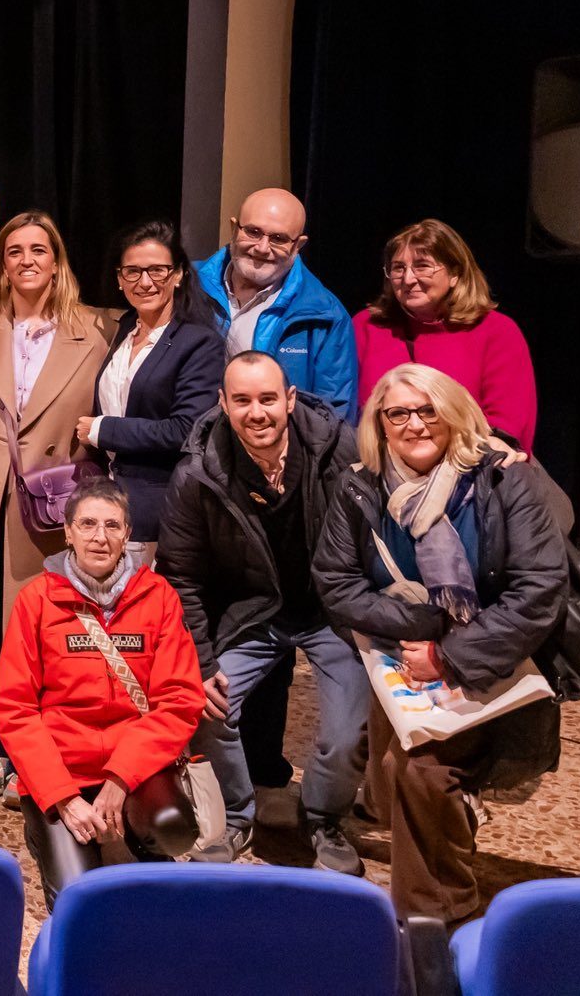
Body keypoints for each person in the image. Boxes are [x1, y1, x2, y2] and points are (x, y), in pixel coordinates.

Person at [314, 363, 568, 923]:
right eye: (398, 413)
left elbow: (540, 588)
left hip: (496, 657)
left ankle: (435, 923)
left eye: (428, 409)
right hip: (401, 658)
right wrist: (428, 624)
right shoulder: (359, 486)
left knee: (422, 774)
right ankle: (444, 864)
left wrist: (449, 652)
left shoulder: (504, 479)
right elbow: (336, 584)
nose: (415, 423)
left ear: (454, 413)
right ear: (379, 424)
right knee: (392, 777)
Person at [157, 352, 368, 873]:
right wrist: (201, 663)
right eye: (243, 400)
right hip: (251, 614)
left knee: (348, 734)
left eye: (268, 398)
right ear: (223, 403)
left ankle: (322, 819)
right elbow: (181, 577)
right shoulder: (197, 472)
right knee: (204, 707)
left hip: (330, 612)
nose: (257, 412)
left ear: (290, 400)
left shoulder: (340, 447)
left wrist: (494, 450)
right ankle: (236, 815)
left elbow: (412, 466)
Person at [0, 479, 201, 909]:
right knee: (75, 897)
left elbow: (180, 700)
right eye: (87, 524)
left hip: (136, 770)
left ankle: (137, 840)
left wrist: (121, 779)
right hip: (60, 771)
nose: (99, 537)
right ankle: (47, 829)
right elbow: (14, 708)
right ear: (68, 532)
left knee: (172, 828)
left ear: (127, 534)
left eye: (112, 525)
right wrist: (63, 797)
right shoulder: (36, 600)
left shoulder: (159, 598)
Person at [0, 211, 111, 801]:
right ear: (2, 263)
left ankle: (46, 753)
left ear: (57, 261)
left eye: (38, 250)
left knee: (51, 631)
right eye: (15, 251)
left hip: (57, 502)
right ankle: (1, 749)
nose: (26, 260)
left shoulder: (97, 330)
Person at [74, 221, 224, 550]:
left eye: (157, 270)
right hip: (108, 505)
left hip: (161, 511)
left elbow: (185, 430)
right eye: (132, 271)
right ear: (119, 278)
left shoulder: (199, 342)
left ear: (178, 274)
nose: (145, 282)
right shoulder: (124, 329)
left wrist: (103, 429)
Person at [353, 219, 537, 451]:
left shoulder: (496, 331)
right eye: (398, 268)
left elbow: (507, 421)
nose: (408, 279)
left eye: (422, 266)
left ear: (455, 274)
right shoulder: (366, 326)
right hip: (380, 463)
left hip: (468, 461)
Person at [193, 187, 358, 422]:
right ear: (234, 228)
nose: (262, 248)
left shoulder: (327, 315)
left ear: (298, 245)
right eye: (253, 232)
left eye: (278, 239)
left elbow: (334, 417)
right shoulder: (186, 286)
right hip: (187, 442)